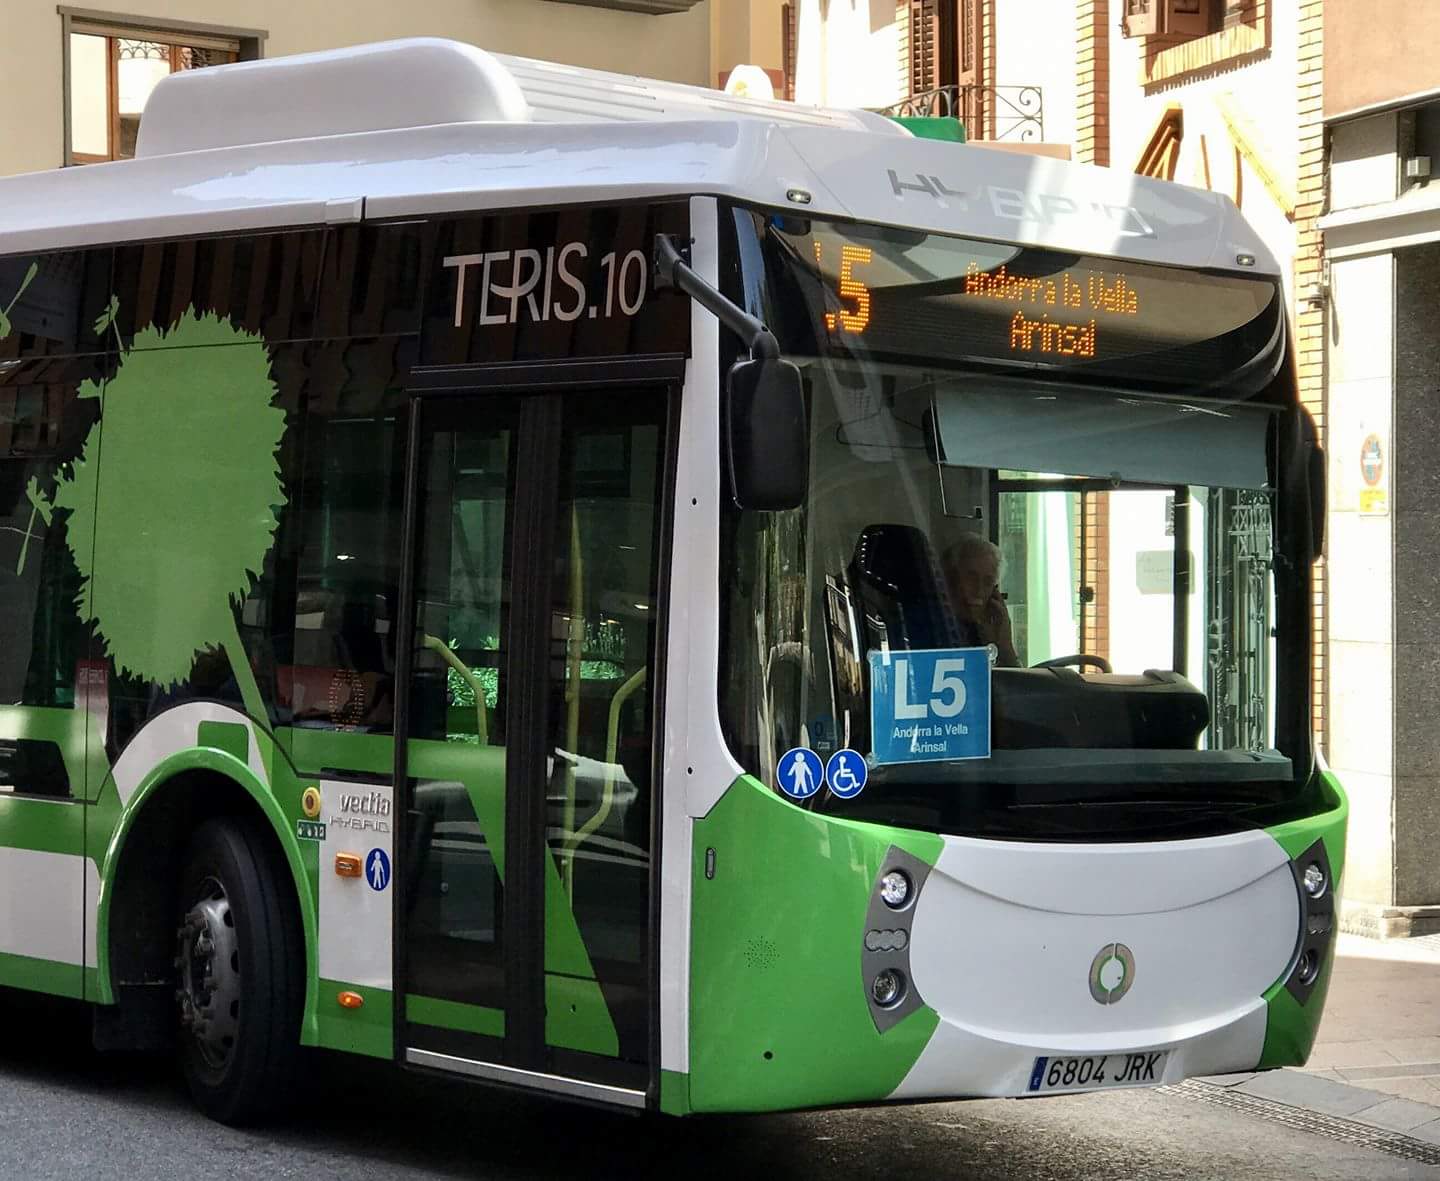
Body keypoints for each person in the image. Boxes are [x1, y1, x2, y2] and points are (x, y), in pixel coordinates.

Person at [940, 533, 1021, 668]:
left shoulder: (984, 634)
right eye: (971, 578)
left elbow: (1016, 686)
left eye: (988, 582)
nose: (979, 590)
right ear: (950, 578)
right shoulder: (934, 627)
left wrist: (1004, 645)